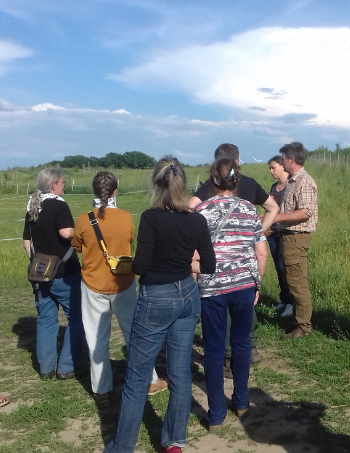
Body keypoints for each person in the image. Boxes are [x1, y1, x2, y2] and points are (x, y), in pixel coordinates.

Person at [104, 157, 216, 453]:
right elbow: (210, 264)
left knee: (138, 376)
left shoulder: (151, 217)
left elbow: (140, 265)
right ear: (183, 185)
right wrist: (183, 259)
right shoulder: (197, 219)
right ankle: (174, 441)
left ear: (157, 184)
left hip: (157, 296)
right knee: (180, 373)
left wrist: (127, 264)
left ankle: (121, 447)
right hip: (188, 296)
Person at [72, 171, 167, 403]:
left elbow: (77, 246)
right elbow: (130, 241)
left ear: (94, 191)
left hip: (92, 283)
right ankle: (150, 380)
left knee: (96, 337)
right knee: (134, 334)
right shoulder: (125, 217)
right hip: (122, 283)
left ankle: (101, 388)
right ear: (115, 191)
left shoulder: (84, 220)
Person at [188, 143, 277, 373]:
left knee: (222, 309)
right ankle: (251, 348)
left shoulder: (209, 186)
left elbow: (189, 211)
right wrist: (258, 232)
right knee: (246, 301)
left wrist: (197, 243)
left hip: (216, 260)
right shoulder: (248, 183)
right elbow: (273, 208)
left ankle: (228, 358)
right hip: (246, 259)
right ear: (237, 160)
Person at [194, 158, 267, 430]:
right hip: (244, 285)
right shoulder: (249, 209)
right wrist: (256, 283)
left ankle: (215, 413)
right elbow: (261, 251)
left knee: (213, 348)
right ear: (236, 181)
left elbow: (194, 253)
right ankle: (242, 400)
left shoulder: (200, 211)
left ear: (212, 181)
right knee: (241, 343)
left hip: (211, 287)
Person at [22, 168, 84, 380]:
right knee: (76, 317)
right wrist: (81, 232)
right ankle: (66, 366)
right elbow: (66, 233)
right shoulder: (59, 204)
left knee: (46, 319)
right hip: (64, 272)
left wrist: (38, 260)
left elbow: (27, 243)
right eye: (63, 182)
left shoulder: (32, 206)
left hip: (40, 273)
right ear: (54, 184)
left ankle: (46, 367)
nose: (64, 185)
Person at [275, 142, 318, 339]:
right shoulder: (293, 181)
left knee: (297, 282)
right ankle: (298, 319)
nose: (281, 161)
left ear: (291, 160)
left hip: (296, 237)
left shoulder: (304, 182)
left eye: (283, 158)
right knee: (292, 280)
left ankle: (303, 326)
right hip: (289, 236)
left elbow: (305, 212)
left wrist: (277, 218)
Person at [267, 156, 294, 318]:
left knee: (286, 268)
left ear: (282, 167)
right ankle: (284, 299)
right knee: (278, 267)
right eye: (270, 168)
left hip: (286, 231)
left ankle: (292, 302)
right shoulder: (274, 187)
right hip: (273, 232)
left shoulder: (292, 185)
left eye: (273, 167)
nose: (271, 171)